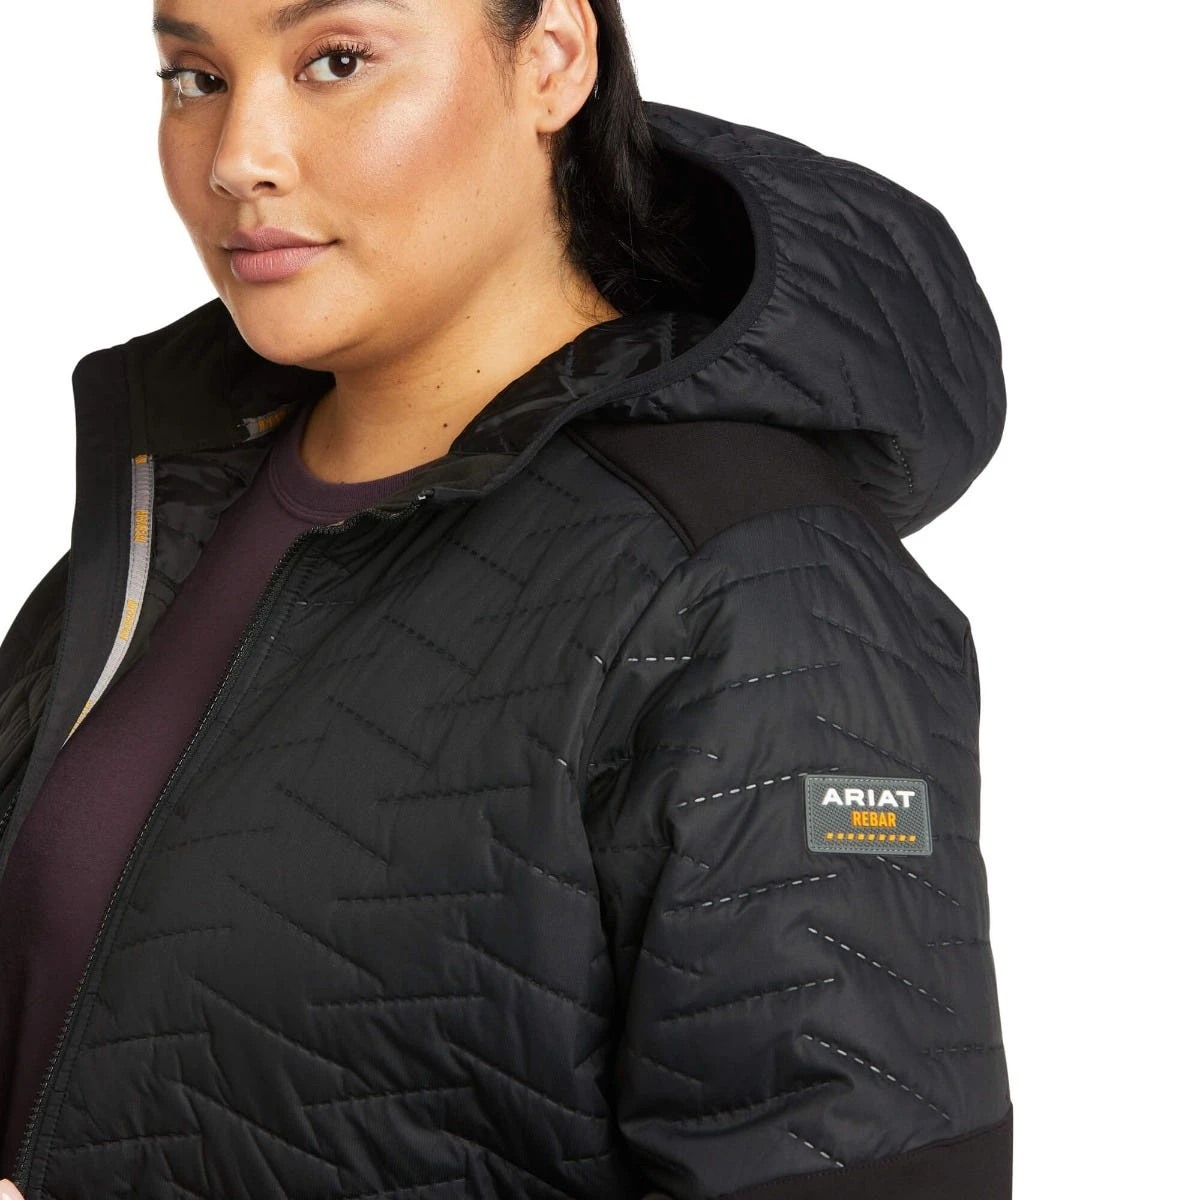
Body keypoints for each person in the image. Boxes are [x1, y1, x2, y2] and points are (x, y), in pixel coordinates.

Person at [0, 0, 1013, 1196]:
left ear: (553, 58)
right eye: (194, 77)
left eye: (336, 61)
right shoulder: (171, 506)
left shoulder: (752, 583)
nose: (237, 159)